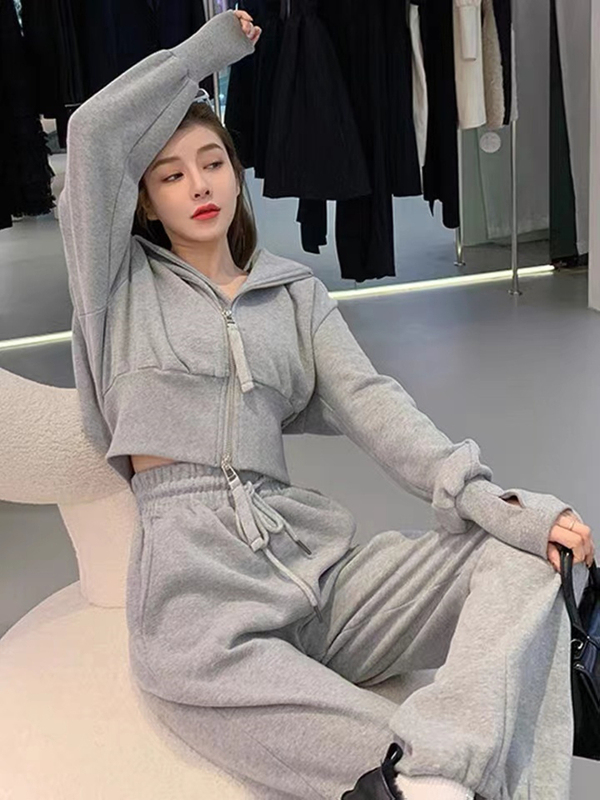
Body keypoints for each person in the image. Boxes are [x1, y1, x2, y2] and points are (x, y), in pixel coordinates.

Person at [58, 9, 595, 800]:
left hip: (315, 573)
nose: (198, 185)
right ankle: (440, 770)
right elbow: (92, 134)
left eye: (212, 162)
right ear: (144, 203)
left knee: (524, 555)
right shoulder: (116, 286)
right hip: (205, 610)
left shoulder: (294, 295)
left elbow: (378, 408)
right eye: (170, 175)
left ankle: (442, 762)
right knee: (421, 771)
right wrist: (205, 55)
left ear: (236, 173)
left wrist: (496, 504)